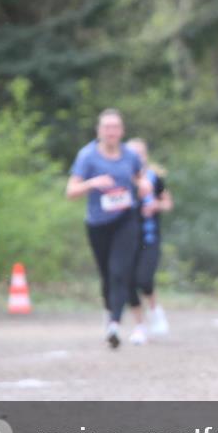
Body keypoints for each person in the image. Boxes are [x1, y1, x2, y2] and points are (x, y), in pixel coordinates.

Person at [66, 109, 148, 348]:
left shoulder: (130, 155)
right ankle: (110, 314)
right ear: (99, 130)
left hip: (126, 219)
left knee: (119, 271)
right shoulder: (87, 156)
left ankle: (114, 324)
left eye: (116, 127)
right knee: (106, 274)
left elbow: (140, 177)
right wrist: (93, 183)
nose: (111, 132)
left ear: (122, 131)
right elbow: (70, 191)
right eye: (107, 127)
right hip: (98, 224)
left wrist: (142, 185)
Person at [124, 138, 172, 344]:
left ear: (145, 155)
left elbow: (167, 203)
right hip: (124, 238)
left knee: (143, 279)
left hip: (149, 237)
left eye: (140, 154)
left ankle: (154, 309)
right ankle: (139, 326)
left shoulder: (155, 177)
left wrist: (155, 206)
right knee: (127, 282)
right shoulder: (120, 178)